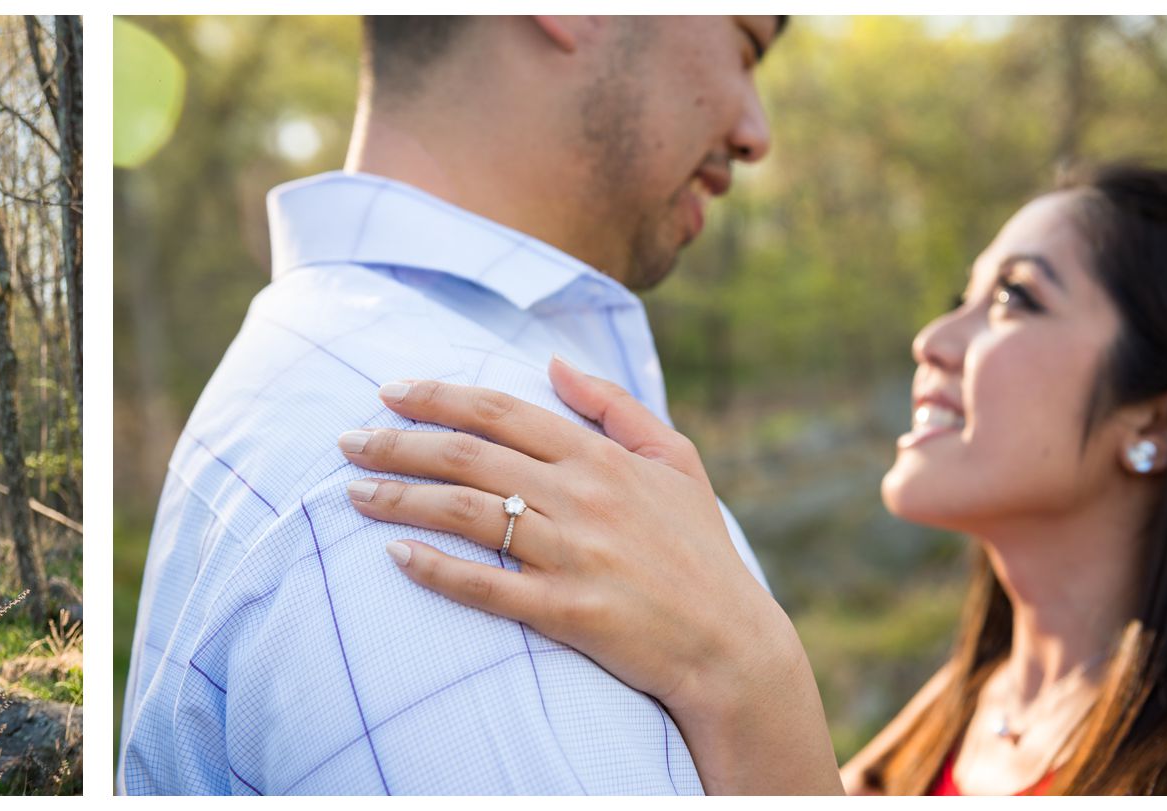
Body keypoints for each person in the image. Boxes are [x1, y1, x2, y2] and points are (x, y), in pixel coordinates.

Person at [359, 165, 1167, 794]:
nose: (932, 341)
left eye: (1014, 300)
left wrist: (745, 666)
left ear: (1156, 414)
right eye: (960, 296)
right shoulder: (963, 709)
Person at [120, 16, 784, 794]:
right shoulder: (438, 460)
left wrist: (755, 673)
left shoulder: (308, 365)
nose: (756, 132)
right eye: (744, 43)